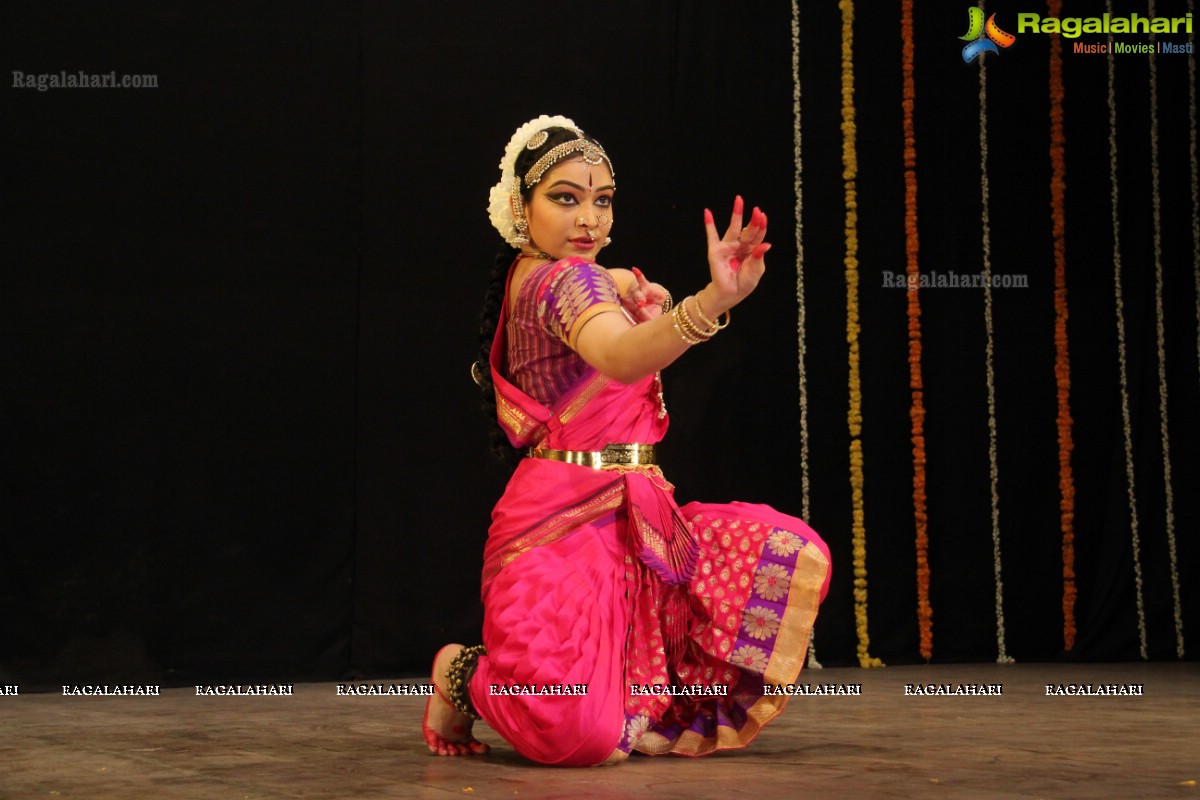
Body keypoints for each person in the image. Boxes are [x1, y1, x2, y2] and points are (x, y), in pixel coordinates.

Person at [422, 115, 831, 766]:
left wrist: (639, 297)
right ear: (519, 208)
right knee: (576, 732)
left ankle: (621, 699)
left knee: (778, 555)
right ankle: (462, 674)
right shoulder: (562, 279)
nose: (589, 218)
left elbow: (610, 312)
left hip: (636, 522)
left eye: (602, 199)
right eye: (565, 197)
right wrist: (707, 303)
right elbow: (616, 356)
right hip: (563, 534)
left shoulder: (557, 275)